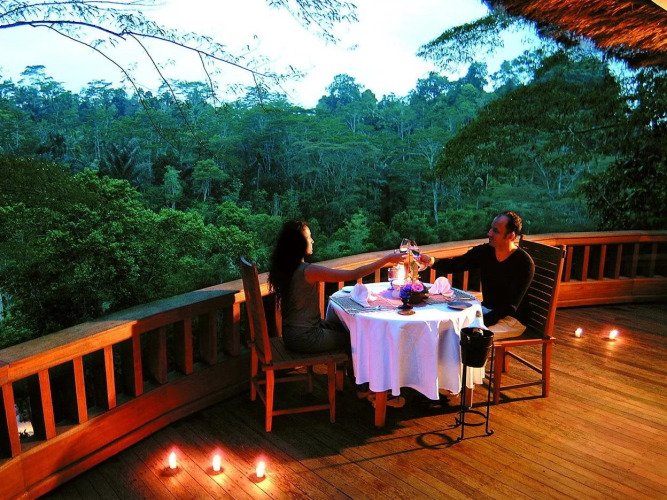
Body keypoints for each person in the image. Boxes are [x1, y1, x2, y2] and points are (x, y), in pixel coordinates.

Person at [268, 220, 405, 354]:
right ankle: (359, 370)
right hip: (306, 337)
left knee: (345, 328)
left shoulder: (287, 268)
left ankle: (348, 368)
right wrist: (386, 259)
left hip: (291, 334)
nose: (312, 241)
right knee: (359, 338)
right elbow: (352, 274)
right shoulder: (307, 271)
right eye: (308, 237)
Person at [418, 211, 535, 336]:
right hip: (487, 310)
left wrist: (478, 323)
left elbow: (510, 306)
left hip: (512, 320)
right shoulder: (485, 252)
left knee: (467, 337)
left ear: (510, 236)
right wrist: (431, 261)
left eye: (495, 231)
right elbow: (456, 264)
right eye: (491, 228)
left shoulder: (523, 263)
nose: (489, 233)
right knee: (447, 328)